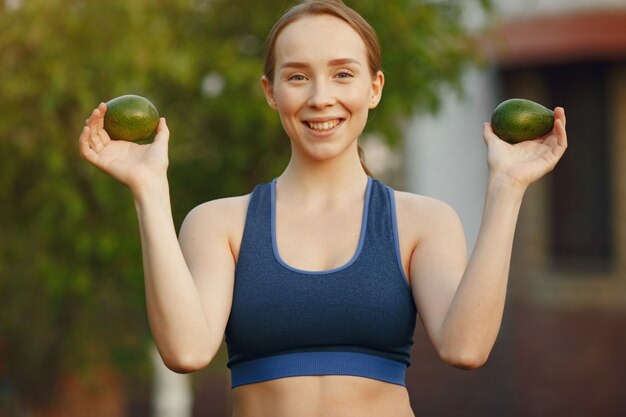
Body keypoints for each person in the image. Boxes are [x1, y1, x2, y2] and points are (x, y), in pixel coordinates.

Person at [79, 0, 568, 415]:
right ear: (270, 91)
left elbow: (466, 348)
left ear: (373, 88)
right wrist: (148, 186)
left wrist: (507, 186)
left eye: (342, 74)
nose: (321, 98)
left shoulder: (424, 221)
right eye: (297, 76)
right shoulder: (217, 223)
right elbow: (185, 350)